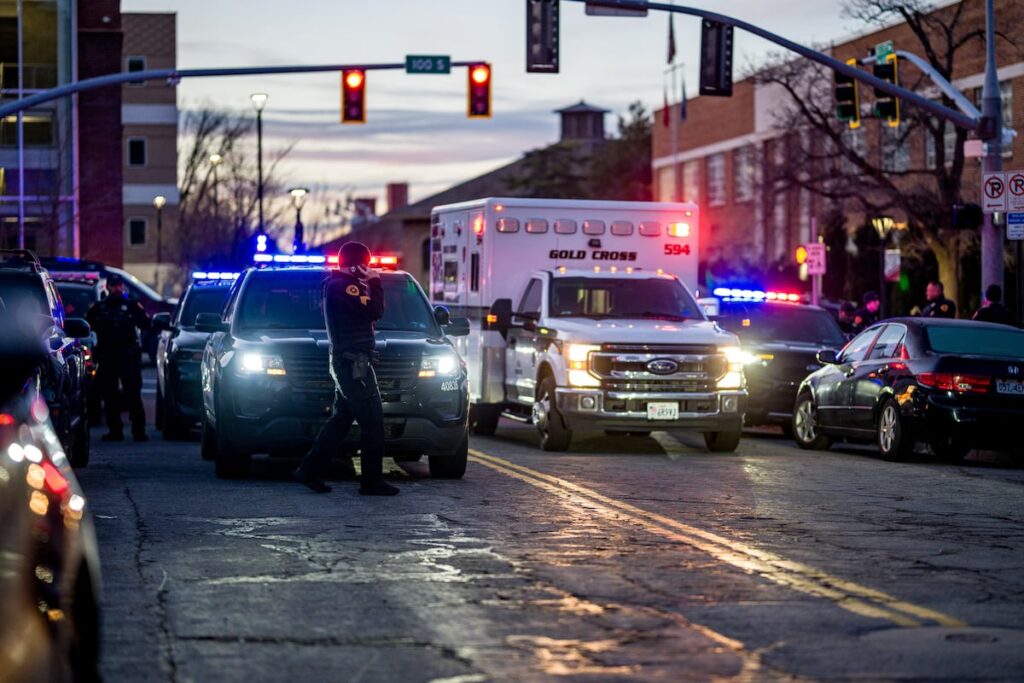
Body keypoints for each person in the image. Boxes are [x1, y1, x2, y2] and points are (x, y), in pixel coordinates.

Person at [294, 241, 398, 496]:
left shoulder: (340, 285)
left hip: (350, 362)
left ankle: (309, 470)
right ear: (355, 266)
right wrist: (375, 283)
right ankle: (371, 481)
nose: (369, 269)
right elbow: (375, 310)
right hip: (353, 364)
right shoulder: (346, 287)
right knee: (373, 422)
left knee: (340, 421)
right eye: (366, 265)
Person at [86, 273, 150, 441]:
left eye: (119, 285)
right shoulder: (99, 307)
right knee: (109, 395)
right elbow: (87, 324)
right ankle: (115, 430)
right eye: (113, 286)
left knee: (133, 394)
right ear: (108, 287)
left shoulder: (131, 306)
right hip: (108, 356)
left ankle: (139, 430)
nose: (117, 289)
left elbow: (145, 324)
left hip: (128, 356)